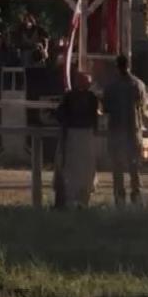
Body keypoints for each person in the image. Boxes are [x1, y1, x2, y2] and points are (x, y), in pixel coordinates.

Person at [103, 54, 146, 207]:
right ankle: (137, 197)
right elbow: (142, 106)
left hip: (116, 130)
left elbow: (106, 108)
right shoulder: (139, 84)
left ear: (117, 66)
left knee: (117, 167)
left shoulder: (110, 86)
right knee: (134, 166)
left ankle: (119, 198)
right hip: (134, 130)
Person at [54, 71, 100, 208]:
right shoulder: (92, 98)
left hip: (72, 136)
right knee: (86, 169)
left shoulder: (69, 96)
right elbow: (95, 118)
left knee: (70, 168)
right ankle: (83, 200)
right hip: (86, 136)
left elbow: (59, 114)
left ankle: (69, 200)